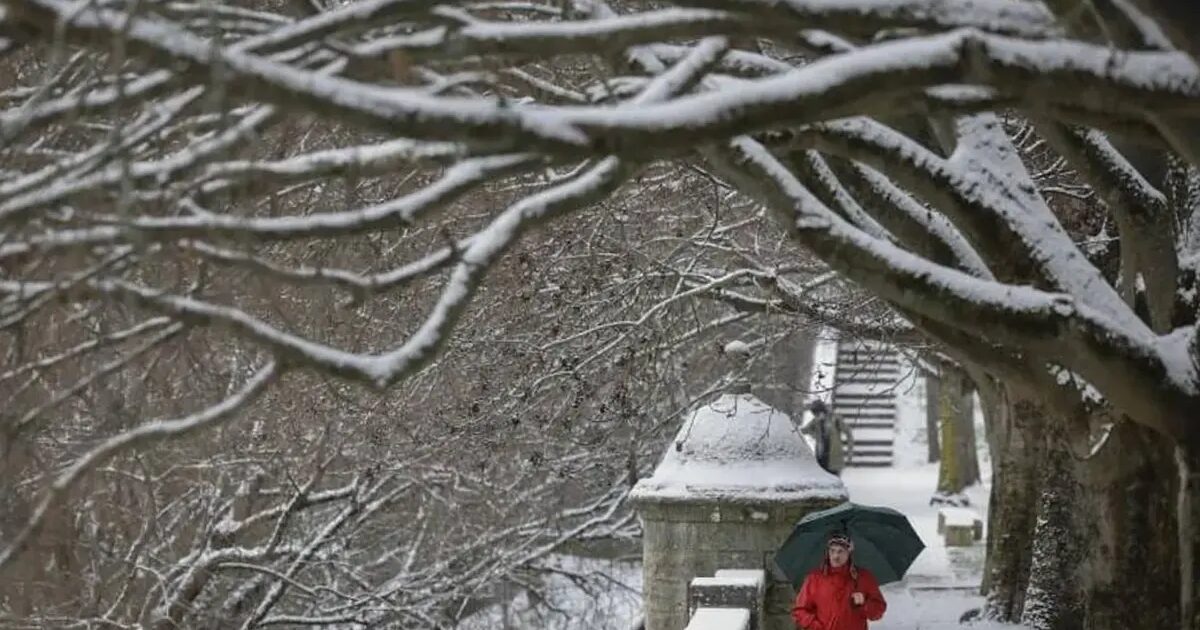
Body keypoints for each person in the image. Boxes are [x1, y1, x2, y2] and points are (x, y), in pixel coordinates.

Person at [792, 533, 886, 630]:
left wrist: (865, 603)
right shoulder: (814, 579)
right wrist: (816, 627)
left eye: (841, 551)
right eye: (832, 551)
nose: (836, 556)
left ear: (849, 553)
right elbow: (800, 611)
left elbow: (878, 611)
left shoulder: (863, 577)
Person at [802, 400, 854, 476]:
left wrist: (850, 451)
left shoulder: (835, 419)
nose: (816, 416)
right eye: (815, 414)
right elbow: (805, 430)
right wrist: (814, 435)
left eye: (817, 413)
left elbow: (848, 432)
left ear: (822, 411)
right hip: (821, 457)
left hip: (834, 458)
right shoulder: (816, 421)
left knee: (834, 479)